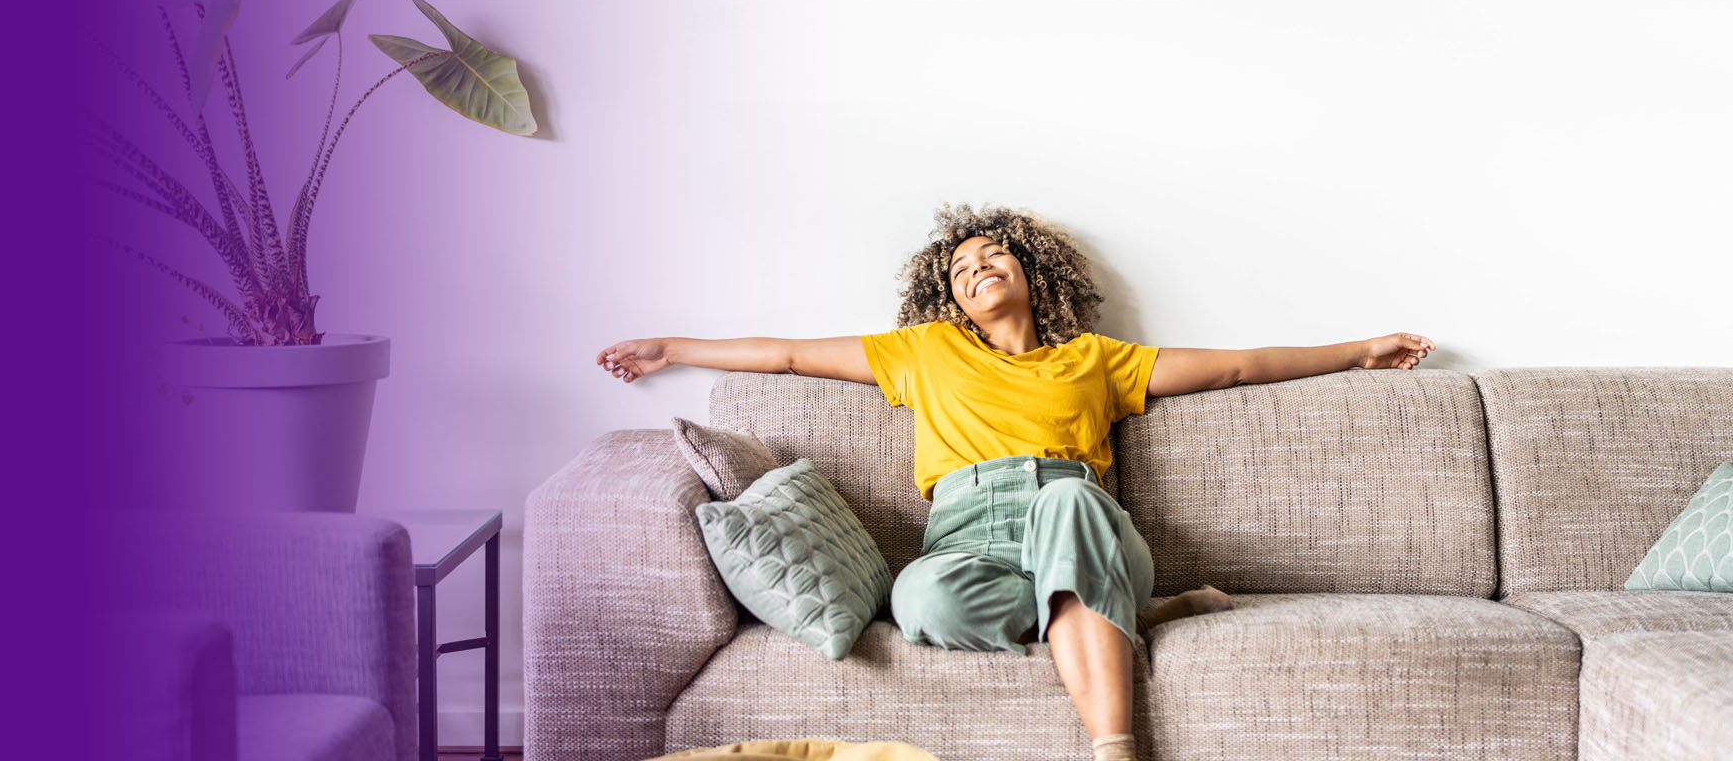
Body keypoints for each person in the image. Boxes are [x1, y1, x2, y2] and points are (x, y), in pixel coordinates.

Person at [593, 204, 1434, 761]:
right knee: (921, 604)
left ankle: (1113, 748)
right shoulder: (922, 351)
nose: (978, 266)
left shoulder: (1095, 359)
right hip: (966, 535)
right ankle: (1130, 614)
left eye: (995, 255)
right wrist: (672, 349)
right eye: (961, 267)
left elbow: (1237, 368)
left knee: (1068, 497)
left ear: (1035, 277)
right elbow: (783, 354)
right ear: (948, 298)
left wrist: (1358, 350)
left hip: (1072, 513)